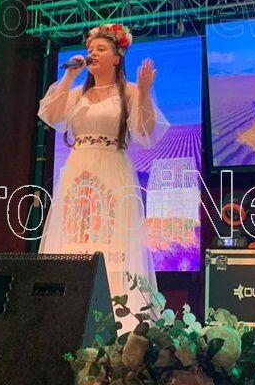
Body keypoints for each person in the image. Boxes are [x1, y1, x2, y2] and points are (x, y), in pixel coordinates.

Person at [37, 23, 169, 327]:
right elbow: (51, 114)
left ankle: (117, 321)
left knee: (112, 242)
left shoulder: (129, 91)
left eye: (101, 49)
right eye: (90, 49)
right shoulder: (78, 93)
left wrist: (144, 92)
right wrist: (69, 76)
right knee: (73, 240)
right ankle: (68, 319)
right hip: (78, 173)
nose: (93, 53)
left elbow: (146, 131)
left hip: (112, 171)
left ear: (117, 57)